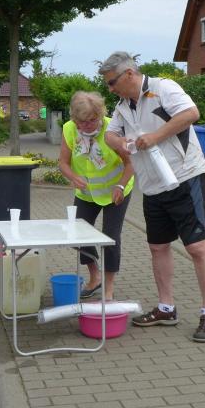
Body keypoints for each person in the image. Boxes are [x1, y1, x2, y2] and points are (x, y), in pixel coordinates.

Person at [100, 51, 205, 343]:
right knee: (157, 246)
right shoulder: (122, 107)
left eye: (112, 82)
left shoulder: (163, 88)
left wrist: (155, 136)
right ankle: (166, 308)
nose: (110, 89)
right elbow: (109, 135)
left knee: (197, 247)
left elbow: (191, 114)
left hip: (184, 176)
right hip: (152, 185)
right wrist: (121, 142)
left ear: (129, 74)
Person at [58, 91, 134, 301]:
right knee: (79, 234)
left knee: (110, 237)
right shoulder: (69, 129)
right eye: (82, 122)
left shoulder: (112, 130)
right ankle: (95, 277)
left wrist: (120, 185)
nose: (88, 125)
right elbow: (63, 163)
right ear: (75, 119)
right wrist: (73, 177)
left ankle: (108, 288)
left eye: (93, 120)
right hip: (87, 192)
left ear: (100, 115)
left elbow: (131, 163)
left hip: (116, 190)